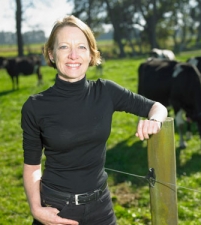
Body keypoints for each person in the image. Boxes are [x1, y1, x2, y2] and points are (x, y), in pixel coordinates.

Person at [21, 15, 167, 225]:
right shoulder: (35, 106)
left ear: (91, 54)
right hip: (57, 209)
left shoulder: (106, 92)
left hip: (102, 209)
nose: (73, 55)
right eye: (64, 47)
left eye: (81, 47)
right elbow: (32, 167)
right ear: (51, 54)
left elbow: (158, 107)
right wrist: (36, 209)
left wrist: (154, 120)